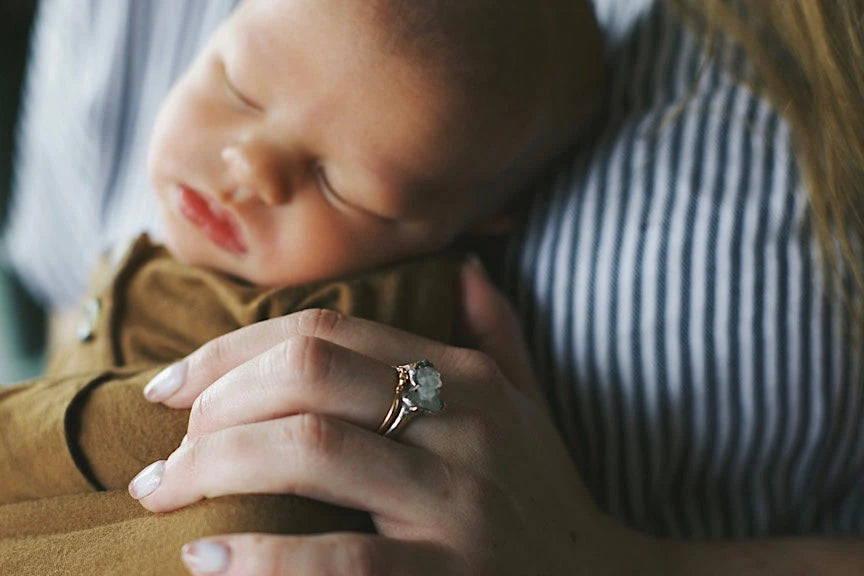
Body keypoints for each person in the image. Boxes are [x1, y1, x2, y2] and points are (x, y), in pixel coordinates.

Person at [6, 0, 864, 575]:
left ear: (469, 222)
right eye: (236, 82)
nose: (248, 165)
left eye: (345, 187)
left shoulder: (379, 320)